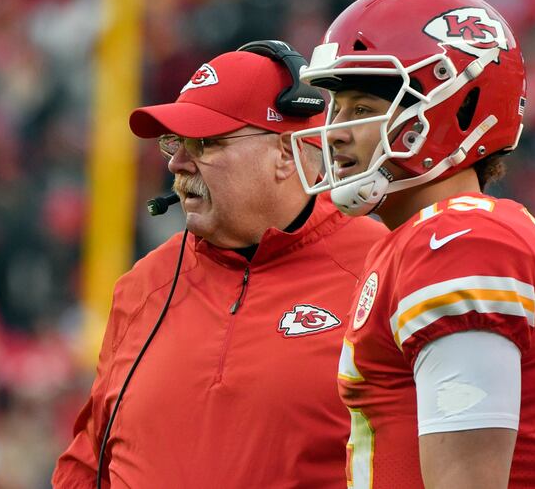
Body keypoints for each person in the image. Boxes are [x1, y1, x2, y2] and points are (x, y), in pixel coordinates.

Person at [52, 42, 388, 488]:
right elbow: (87, 461)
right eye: (174, 142)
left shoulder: (381, 266)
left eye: (205, 143)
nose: (177, 162)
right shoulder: (145, 284)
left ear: (287, 153)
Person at [290, 0, 535, 488]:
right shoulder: (414, 238)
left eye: (362, 110)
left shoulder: (461, 239)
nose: (335, 131)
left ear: (456, 107)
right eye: (336, 108)